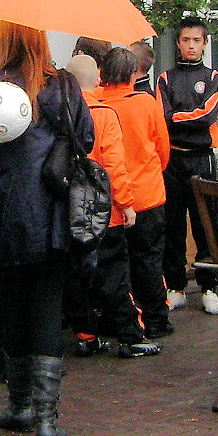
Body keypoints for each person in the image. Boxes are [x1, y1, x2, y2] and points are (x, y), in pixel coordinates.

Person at [0, 21, 94, 436]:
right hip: (50, 214)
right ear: (41, 41)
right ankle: (47, 421)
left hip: (1, 214)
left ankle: (20, 405)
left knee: (11, 303)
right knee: (46, 306)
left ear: (3, 41)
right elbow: (85, 138)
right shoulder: (62, 85)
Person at [64, 53, 155, 358]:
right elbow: (114, 165)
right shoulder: (103, 114)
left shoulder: (57, 113)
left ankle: (86, 336)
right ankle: (131, 337)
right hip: (105, 212)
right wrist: (126, 204)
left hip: (70, 209)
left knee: (77, 277)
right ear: (98, 80)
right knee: (115, 275)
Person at [95, 45, 173, 341]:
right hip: (147, 195)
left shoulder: (96, 104)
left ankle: (123, 322)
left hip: (110, 201)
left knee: (116, 268)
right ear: (132, 74)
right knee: (150, 260)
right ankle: (156, 319)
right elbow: (162, 148)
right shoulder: (146, 102)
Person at [156, 18, 218, 315]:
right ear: (178, 43)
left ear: (205, 43)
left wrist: (177, 118)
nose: (191, 46)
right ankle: (176, 287)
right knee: (172, 225)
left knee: (204, 224)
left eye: (197, 40)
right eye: (186, 40)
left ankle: (209, 288)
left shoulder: (214, 77)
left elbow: (206, 116)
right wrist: (183, 118)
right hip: (172, 160)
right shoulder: (165, 78)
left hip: (202, 159)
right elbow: (162, 116)